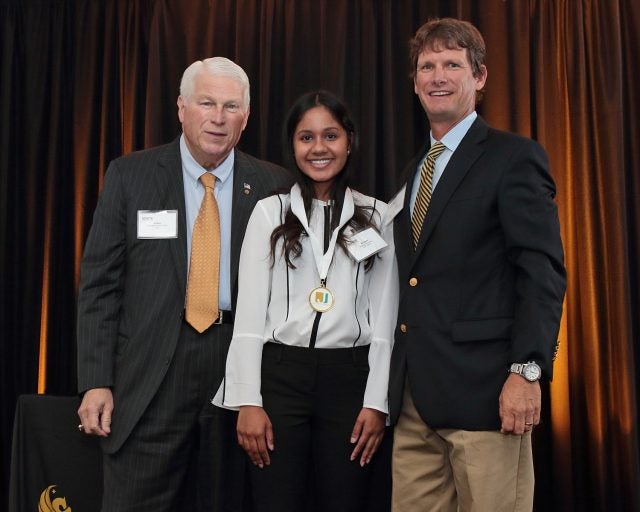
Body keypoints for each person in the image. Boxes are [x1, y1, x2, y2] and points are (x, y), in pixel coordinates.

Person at [76, 56, 292, 512]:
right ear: (181, 107)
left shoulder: (275, 186)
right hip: (150, 373)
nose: (217, 117)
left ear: (246, 117)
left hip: (237, 372)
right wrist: (95, 381)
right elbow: (99, 285)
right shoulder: (129, 176)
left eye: (231, 106)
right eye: (206, 103)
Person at [386, 18, 566, 512]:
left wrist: (526, 371)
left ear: (480, 77)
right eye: (427, 65)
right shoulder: (414, 169)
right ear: (414, 80)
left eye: (451, 64)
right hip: (414, 401)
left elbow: (542, 272)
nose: (437, 75)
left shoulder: (514, 158)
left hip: (488, 398)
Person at [213, 90, 398, 511]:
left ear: (349, 141)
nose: (319, 148)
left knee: (345, 500)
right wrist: (248, 400)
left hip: (350, 379)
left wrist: (377, 402)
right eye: (306, 137)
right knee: (275, 500)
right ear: (292, 146)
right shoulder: (269, 213)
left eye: (330, 136)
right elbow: (248, 315)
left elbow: (386, 319)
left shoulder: (378, 216)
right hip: (280, 377)